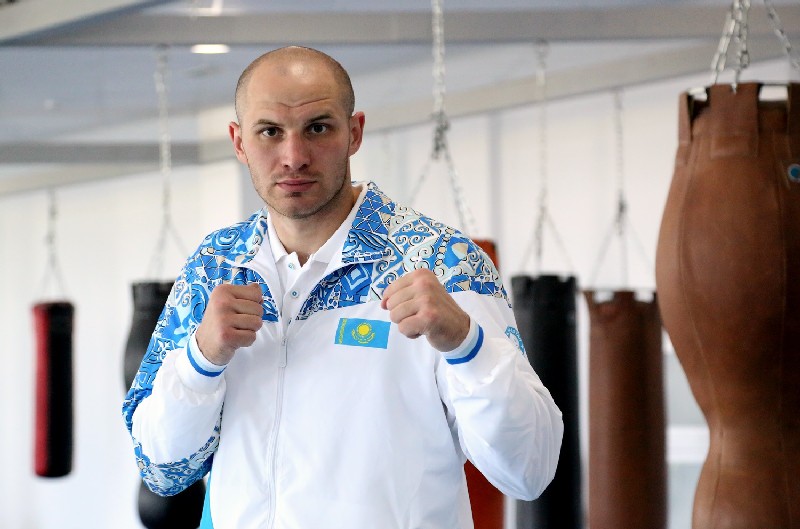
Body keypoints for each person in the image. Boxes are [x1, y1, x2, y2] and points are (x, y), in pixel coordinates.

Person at [123, 45, 563, 529]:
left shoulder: (444, 262)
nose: (294, 157)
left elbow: (530, 471)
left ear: (354, 132)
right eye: (270, 131)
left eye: (317, 128)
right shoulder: (215, 266)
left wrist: (466, 343)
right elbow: (161, 470)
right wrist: (200, 360)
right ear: (239, 141)